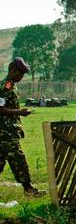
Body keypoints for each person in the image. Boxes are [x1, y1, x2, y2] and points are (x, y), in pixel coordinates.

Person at [0, 57, 46, 197]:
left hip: (9, 130)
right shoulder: (5, 86)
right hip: (5, 132)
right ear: (13, 71)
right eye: (20, 74)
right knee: (19, 160)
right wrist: (20, 112)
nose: (21, 77)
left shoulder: (12, 85)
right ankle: (28, 189)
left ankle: (28, 189)